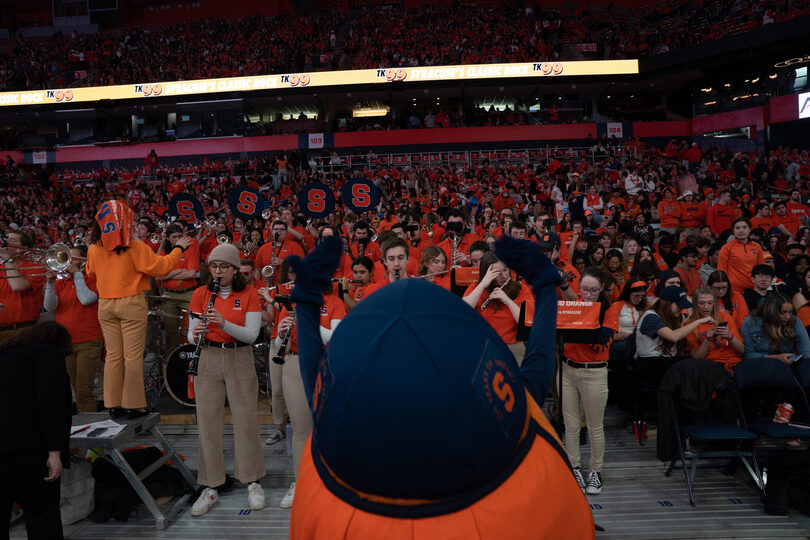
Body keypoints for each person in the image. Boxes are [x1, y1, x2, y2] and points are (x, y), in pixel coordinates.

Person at [285, 236, 594, 538]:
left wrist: (306, 300)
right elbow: (538, 365)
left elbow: (318, 388)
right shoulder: (502, 419)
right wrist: (544, 283)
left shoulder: (336, 438)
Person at [86, 200, 192, 417]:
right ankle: (133, 405)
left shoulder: (94, 248)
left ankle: (113, 404)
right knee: (133, 357)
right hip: (130, 303)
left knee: (114, 355)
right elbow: (162, 268)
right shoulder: (135, 247)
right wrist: (180, 247)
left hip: (106, 304)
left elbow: (91, 273)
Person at [187, 243, 266, 516]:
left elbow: (251, 335)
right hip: (207, 356)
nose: (218, 271)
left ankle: (252, 481)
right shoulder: (200, 293)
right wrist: (194, 334)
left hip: (239, 357)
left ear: (235, 269)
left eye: (224, 267)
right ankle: (210, 485)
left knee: (245, 421)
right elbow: (189, 334)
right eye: (214, 266)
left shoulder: (250, 294)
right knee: (208, 423)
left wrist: (223, 323)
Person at [273, 271, 346, 509]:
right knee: (301, 429)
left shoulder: (334, 302)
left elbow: (336, 338)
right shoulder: (292, 304)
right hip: (294, 362)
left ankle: (333, 483)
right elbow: (276, 343)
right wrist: (283, 332)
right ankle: (300, 482)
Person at [0, 321, 72, 540]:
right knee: (42, 519)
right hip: (30, 452)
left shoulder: (5, 356)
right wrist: (55, 452)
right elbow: (52, 406)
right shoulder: (48, 356)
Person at [561, 267, 617, 495]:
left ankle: (595, 470)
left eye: (593, 290)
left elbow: (601, 342)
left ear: (602, 288)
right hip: (568, 369)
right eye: (584, 289)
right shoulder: (576, 305)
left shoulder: (609, 310)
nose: (588, 294)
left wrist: (577, 326)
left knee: (595, 426)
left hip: (594, 372)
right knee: (571, 424)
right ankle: (573, 466)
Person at [43, 244, 103, 413]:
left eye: (73, 258)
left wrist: (77, 273)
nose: (69, 262)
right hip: (66, 342)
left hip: (89, 340)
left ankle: (91, 429)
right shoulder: (62, 282)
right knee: (76, 392)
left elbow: (86, 299)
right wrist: (49, 283)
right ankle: (83, 427)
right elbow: (49, 307)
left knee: (84, 391)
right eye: (68, 258)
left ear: (85, 260)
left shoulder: (94, 277)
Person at [463, 252, 533, 364]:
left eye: (505, 270)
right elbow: (463, 309)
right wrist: (483, 284)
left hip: (513, 347)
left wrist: (508, 301)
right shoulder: (477, 289)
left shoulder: (521, 289)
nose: (504, 276)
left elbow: (527, 322)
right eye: (497, 273)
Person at [156, 223, 200, 355]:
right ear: (168, 238)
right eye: (174, 237)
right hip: (170, 295)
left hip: (188, 293)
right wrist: (181, 270)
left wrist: (169, 274)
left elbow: (192, 274)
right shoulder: (164, 253)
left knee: (194, 329)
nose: (177, 239)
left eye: (180, 236)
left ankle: (196, 357)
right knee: (170, 332)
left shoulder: (190, 250)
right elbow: (159, 276)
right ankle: (171, 361)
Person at [683, 285, 744, 372]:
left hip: (733, 363)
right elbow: (696, 357)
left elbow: (741, 350)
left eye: (710, 303)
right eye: (702, 303)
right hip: (708, 366)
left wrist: (730, 336)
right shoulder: (689, 324)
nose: (706, 307)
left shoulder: (726, 318)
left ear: (714, 303)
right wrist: (707, 340)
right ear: (695, 303)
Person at [0, 230, 47, 343]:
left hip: (23, 330)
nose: (5, 244)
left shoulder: (35, 267)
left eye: (11, 241)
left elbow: (18, 286)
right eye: (5, 240)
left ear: (23, 249)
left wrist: (7, 259)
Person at [741, 292, 810, 364]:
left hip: (788, 367)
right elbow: (748, 355)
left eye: (790, 312)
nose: (788, 317)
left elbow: (806, 353)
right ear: (771, 311)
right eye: (783, 312)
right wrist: (776, 358)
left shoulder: (795, 322)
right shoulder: (750, 322)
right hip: (760, 365)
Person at [718, 218, 765, 295]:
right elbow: (721, 271)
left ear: (749, 229)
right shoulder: (726, 248)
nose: (741, 230)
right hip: (734, 291)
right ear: (733, 231)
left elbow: (761, 269)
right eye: (737, 228)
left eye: (744, 227)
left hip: (754, 289)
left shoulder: (757, 246)